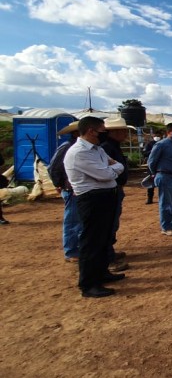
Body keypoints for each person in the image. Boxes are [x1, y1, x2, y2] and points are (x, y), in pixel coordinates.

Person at [64, 116, 126, 298]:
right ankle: (89, 284)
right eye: (102, 131)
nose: (104, 134)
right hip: (92, 200)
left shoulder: (96, 149)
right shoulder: (79, 152)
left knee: (103, 239)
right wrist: (115, 169)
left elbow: (116, 166)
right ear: (91, 131)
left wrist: (114, 169)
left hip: (105, 197)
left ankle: (102, 273)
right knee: (91, 242)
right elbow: (105, 174)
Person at [100, 117, 134, 272]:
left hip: (115, 188)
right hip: (110, 189)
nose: (125, 133)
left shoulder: (113, 146)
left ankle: (110, 253)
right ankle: (107, 259)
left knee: (112, 223)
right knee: (108, 224)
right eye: (122, 130)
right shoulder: (106, 147)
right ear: (113, 132)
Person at [48, 120, 81, 260]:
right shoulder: (67, 147)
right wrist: (59, 184)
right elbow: (53, 167)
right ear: (76, 133)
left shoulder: (76, 146)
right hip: (70, 189)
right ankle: (71, 251)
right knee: (72, 220)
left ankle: (76, 247)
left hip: (76, 188)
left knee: (78, 220)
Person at [148, 123, 172, 236]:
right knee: (166, 203)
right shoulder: (161, 144)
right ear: (168, 132)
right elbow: (151, 162)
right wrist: (156, 173)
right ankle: (166, 227)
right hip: (165, 176)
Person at [141, 130, 163, 204]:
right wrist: (153, 151)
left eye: (159, 135)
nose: (157, 136)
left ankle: (162, 198)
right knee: (151, 182)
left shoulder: (164, 143)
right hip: (152, 165)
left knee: (162, 183)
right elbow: (144, 153)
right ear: (153, 135)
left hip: (161, 166)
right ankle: (150, 198)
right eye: (156, 135)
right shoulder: (150, 143)